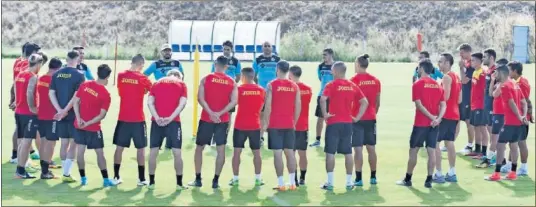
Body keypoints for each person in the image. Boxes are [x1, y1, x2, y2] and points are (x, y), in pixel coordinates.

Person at [396, 60, 446, 188]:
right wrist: (438, 119)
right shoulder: (438, 85)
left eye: (418, 68)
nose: (417, 70)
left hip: (420, 124)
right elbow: (443, 104)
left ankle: (408, 179)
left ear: (422, 69)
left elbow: (419, 105)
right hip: (434, 124)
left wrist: (431, 117)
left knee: (413, 151)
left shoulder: (417, 84)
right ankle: (428, 180)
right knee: (432, 151)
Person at [190, 56, 237, 189]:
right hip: (222, 121)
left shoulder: (206, 79)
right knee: (220, 150)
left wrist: (211, 112)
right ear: (226, 67)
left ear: (215, 64)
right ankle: (215, 181)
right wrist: (220, 113)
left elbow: (200, 98)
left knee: (199, 148)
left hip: (206, 119)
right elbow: (234, 102)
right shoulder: (231, 81)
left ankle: (198, 179)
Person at [320, 61, 368, 191]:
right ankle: (348, 182)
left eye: (332, 70)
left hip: (334, 122)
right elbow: (365, 102)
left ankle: (330, 183)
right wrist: (357, 117)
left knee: (330, 152)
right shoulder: (352, 85)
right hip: (347, 123)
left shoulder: (331, 84)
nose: (331, 72)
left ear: (336, 71)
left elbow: (322, 99)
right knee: (347, 152)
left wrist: (325, 114)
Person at [112, 54, 152, 185]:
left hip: (123, 117)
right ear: (140, 64)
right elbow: (150, 91)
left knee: (119, 148)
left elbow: (121, 92)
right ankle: (142, 179)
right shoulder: (143, 78)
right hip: (138, 119)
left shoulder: (121, 76)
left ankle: (116, 177)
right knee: (141, 149)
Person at [73, 64, 116, 187]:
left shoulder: (85, 85)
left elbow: (75, 101)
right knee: (100, 154)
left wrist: (78, 118)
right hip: (93, 128)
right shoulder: (105, 94)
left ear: (97, 73)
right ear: (108, 76)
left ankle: (83, 179)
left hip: (79, 126)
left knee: (80, 152)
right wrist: (88, 123)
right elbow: (102, 115)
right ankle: (106, 180)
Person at [147, 69, 188, 190]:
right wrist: (170, 118)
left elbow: (150, 102)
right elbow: (182, 103)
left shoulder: (157, 83)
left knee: (153, 152)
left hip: (157, 122)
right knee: (177, 153)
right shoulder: (181, 84)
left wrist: (157, 117)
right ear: (178, 76)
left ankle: (151, 183)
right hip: (173, 123)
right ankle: (179, 184)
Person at [263, 60, 301, 191]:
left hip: (275, 124)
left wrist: (265, 124)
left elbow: (267, 107)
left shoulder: (271, 85)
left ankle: (281, 183)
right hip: (289, 124)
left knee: (278, 154)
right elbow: (298, 107)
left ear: (277, 69)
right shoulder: (294, 86)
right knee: (290, 153)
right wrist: (294, 122)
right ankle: (292, 183)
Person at [485, 65, 528, 181]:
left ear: (501, 73)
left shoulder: (504, 86)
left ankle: (497, 174)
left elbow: (511, 103)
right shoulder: (515, 84)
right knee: (513, 145)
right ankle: (513, 172)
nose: (495, 75)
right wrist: (523, 116)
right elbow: (524, 102)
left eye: (496, 73)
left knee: (500, 146)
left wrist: (519, 116)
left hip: (510, 122)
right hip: (518, 123)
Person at [49, 50, 86, 182]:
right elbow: (77, 96)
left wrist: (59, 110)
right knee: (74, 143)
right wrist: (65, 110)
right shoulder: (79, 75)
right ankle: (66, 173)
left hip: (60, 114)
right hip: (73, 113)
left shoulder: (57, 74)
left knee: (64, 143)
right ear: (77, 59)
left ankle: (66, 172)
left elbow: (51, 93)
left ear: (66, 59)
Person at [229, 67, 265, 187]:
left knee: (237, 153)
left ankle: (235, 179)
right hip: (255, 125)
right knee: (257, 153)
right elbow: (262, 108)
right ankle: (258, 179)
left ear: (243, 77)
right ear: (253, 76)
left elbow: (232, 103)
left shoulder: (239, 89)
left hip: (240, 125)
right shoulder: (261, 90)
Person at [350, 54, 381, 186]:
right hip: (371, 118)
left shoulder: (353, 80)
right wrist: (373, 113)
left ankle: (358, 178)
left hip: (356, 118)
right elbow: (377, 101)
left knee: (357, 149)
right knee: (371, 148)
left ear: (357, 64)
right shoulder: (375, 80)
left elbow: (349, 100)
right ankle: (373, 177)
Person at [14, 54, 44, 179]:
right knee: (26, 142)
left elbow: (16, 90)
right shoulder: (33, 77)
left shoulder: (21, 74)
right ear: (39, 64)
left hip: (19, 111)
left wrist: (16, 101)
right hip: (28, 114)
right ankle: (20, 171)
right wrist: (33, 108)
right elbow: (29, 92)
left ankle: (20, 170)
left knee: (22, 141)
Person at [10, 42, 41, 164]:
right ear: (33, 53)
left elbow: (15, 82)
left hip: (19, 98)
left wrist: (13, 99)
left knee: (19, 129)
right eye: (38, 51)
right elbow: (29, 87)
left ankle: (17, 155)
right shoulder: (27, 65)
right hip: (25, 103)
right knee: (27, 134)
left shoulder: (17, 61)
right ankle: (25, 159)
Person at [433, 53, 462, 183]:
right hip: (455, 114)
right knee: (449, 143)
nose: (439, 64)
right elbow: (460, 99)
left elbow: (445, 97)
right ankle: (452, 172)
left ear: (447, 63)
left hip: (445, 115)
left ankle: (438, 174)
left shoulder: (446, 77)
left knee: (435, 144)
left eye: (440, 62)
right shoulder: (456, 77)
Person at [501, 62, 533, 176]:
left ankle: (524, 167)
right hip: (516, 118)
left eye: (509, 70)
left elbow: (523, 101)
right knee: (513, 142)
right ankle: (510, 164)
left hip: (521, 118)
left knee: (521, 143)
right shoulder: (515, 82)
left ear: (514, 71)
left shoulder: (521, 83)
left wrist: (525, 115)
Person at [211, 40, 242, 145]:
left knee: (228, 115)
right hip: (217, 91)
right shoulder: (217, 60)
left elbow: (238, 76)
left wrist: (231, 86)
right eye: (224, 49)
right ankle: (215, 137)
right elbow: (213, 74)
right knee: (217, 112)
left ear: (231, 50)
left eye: (228, 49)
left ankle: (224, 136)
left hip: (229, 92)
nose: (226, 51)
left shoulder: (236, 61)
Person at [38, 58, 64, 179]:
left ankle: (43, 169)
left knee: (44, 142)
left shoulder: (41, 78)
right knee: (51, 143)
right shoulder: (54, 81)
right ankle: (45, 171)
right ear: (58, 69)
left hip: (40, 115)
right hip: (51, 116)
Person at [289, 65, 312, 186]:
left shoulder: (290, 88)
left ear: (291, 74)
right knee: (302, 154)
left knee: (291, 154)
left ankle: (295, 179)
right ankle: (302, 178)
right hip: (303, 125)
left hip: (291, 125)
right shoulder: (308, 89)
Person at [253, 41, 280, 144]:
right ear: (262, 48)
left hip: (275, 91)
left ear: (272, 48)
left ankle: (273, 134)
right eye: (265, 46)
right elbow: (254, 75)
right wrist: (259, 86)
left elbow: (280, 74)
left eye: (269, 46)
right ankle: (260, 136)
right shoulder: (258, 60)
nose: (267, 48)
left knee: (274, 113)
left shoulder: (277, 59)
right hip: (263, 91)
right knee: (262, 113)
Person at [469, 53, 490, 167]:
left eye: (473, 61)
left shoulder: (482, 73)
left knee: (482, 128)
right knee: (476, 127)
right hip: (474, 105)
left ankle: (484, 152)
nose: (471, 62)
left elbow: (483, 91)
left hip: (480, 105)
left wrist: (482, 104)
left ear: (479, 61)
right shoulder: (474, 72)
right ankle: (477, 150)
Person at [311, 48, 335, 148]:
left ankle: (333, 140)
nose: (323, 57)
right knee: (320, 118)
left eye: (325, 55)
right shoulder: (320, 66)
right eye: (323, 55)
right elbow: (321, 79)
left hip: (334, 96)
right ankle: (317, 140)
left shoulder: (336, 66)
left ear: (331, 55)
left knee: (334, 118)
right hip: (322, 95)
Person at [457, 44, 476, 156]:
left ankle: (470, 145)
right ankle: (448, 142)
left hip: (469, 97)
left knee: (469, 121)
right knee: (458, 119)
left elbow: (464, 80)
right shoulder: (467, 64)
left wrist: (461, 68)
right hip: (464, 96)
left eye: (462, 52)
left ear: (468, 52)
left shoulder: (471, 66)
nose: (460, 55)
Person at [483, 49, 498, 165]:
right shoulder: (488, 70)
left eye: (485, 57)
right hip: (487, 104)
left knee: (493, 132)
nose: (483, 59)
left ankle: (494, 156)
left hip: (494, 105)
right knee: (489, 129)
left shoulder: (496, 71)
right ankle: (496, 155)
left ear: (491, 58)